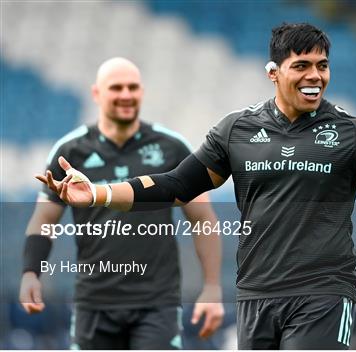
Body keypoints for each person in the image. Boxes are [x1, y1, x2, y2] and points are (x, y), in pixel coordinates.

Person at [37, 24, 356, 349]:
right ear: (273, 71)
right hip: (257, 294)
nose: (315, 76)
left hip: (323, 292)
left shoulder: (351, 132)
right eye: (302, 65)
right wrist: (96, 192)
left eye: (322, 65)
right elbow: (177, 184)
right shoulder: (235, 130)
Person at [21, 57, 224, 349]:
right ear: (96, 93)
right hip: (94, 301)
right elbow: (43, 222)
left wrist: (213, 287)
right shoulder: (70, 151)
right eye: (116, 87)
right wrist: (30, 273)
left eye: (133, 87)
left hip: (157, 301)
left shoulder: (172, 146)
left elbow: (203, 218)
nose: (126, 95)